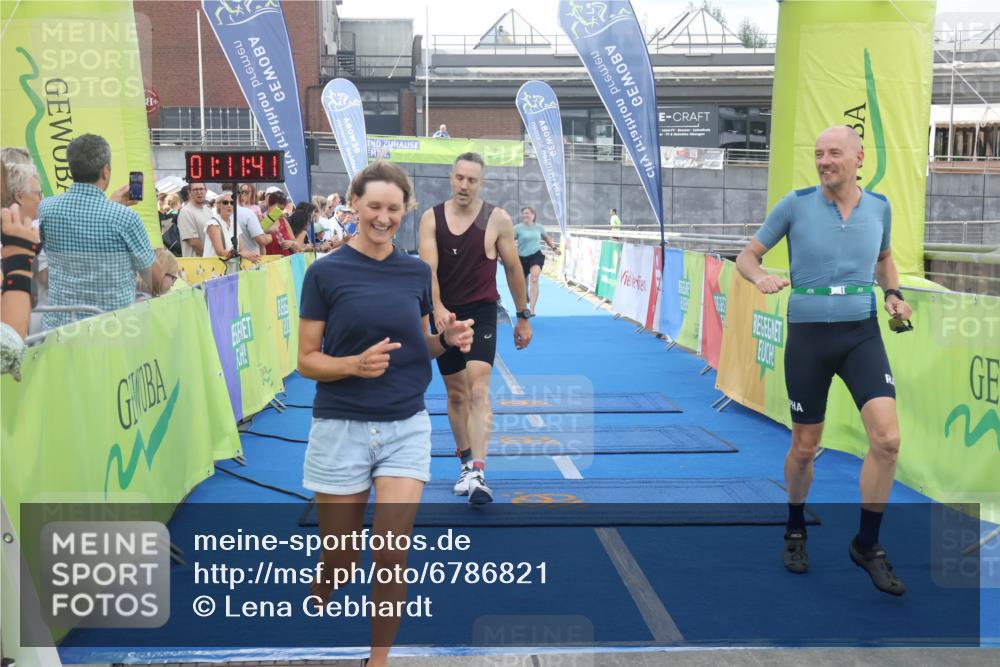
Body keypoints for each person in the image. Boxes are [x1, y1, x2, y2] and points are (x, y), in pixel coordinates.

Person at [298, 160, 473, 667]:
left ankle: (378, 660)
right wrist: (352, 364)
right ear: (354, 204)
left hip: (405, 426)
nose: (383, 217)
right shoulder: (324, 273)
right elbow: (307, 359)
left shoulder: (417, 271)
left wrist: (447, 341)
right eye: (374, 206)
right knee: (344, 555)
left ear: (405, 211)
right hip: (341, 426)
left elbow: (419, 344)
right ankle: (326, 575)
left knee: (391, 551)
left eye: (393, 208)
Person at [735, 125, 912, 596]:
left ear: (859, 158)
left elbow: (885, 258)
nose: (824, 161)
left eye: (834, 153)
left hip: (862, 334)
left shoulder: (879, 207)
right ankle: (795, 526)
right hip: (809, 337)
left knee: (889, 440)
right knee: (805, 448)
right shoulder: (795, 204)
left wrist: (893, 294)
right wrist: (759, 278)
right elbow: (747, 256)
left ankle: (867, 545)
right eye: (818, 154)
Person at [418, 152, 533, 505]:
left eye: (472, 180)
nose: (464, 185)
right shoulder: (430, 219)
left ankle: (479, 472)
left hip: (483, 312)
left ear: (481, 183)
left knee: (478, 387)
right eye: (459, 178)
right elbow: (429, 271)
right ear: (451, 179)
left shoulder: (496, 219)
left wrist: (523, 314)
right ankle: (465, 461)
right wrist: (437, 308)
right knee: (456, 394)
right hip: (447, 315)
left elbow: (513, 269)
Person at [38, 133, 161, 328]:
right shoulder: (125, 218)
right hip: (112, 333)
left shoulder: (46, 209)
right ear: (105, 171)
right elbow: (156, 280)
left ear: (71, 170)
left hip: (59, 331)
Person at [514, 206, 560, 315]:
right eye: (524, 213)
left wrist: (554, 248)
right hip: (521, 257)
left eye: (527, 213)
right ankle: (526, 295)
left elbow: (546, 238)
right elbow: (509, 241)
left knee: (534, 279)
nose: (525, 215)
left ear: (533, 215)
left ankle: (532, 309)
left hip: (536, 255)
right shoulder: (517, 228)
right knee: (523, 283)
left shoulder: (539, 227)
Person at [177, 182, 212, 256]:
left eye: (201, 189)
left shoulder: (208, 210)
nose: (199, 192)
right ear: (189, 192)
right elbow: (193, 242)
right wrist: (209, 256)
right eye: (195, 190)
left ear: (206, 191)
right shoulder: (186, 212)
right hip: (195, 264)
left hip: (211, 262)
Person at [261, 188, 299, 256]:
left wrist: (291, 243)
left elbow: (295, 241)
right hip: (271, 263)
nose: (279, 211)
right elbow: (258, 238)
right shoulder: (261, 219)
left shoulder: (283, 220)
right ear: (269, 205)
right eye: (277, 208)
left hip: (287, 261)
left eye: (282, 209)